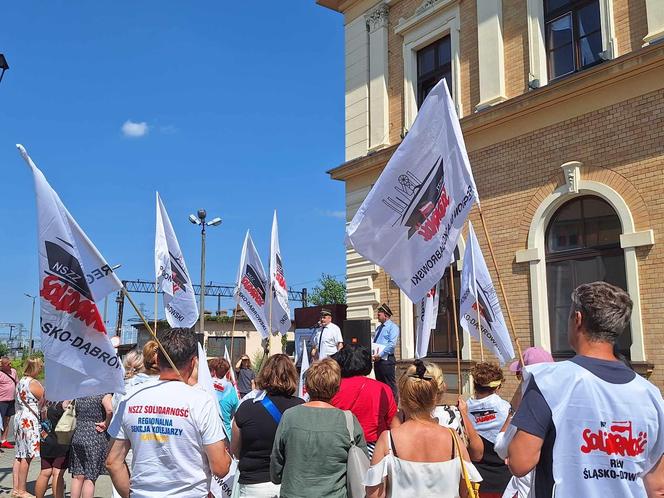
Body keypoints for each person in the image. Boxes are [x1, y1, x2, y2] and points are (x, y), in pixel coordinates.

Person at [508, 282, 664, 497]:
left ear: (578, 319)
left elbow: (519, 462)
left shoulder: (548, 380)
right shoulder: (651, 394)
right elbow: (657, 485)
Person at [106, 328, 231, 498]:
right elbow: (220, 468)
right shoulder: (201, 400)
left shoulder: (130, 397)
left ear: (157, 358)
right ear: (193, 362)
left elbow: (113, 462)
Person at [365, 360, 482, 498]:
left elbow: (374, 495)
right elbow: (466, 492)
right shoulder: (453, 439)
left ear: (403, 396)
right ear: (437, 397)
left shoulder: (388, 439)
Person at [271, 358, 367, 497]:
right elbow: (363, 468)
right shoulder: (348, 421)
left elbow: (276, 467)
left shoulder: (289, 416)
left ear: (308, 386)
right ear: (336, 388)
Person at [231, 354, 304, 497]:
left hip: (254, 485)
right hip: (291, 483)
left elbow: (235, 450)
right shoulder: (302, 407)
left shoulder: (247, 407)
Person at [493, 347, 553, 498]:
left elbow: (501, 447)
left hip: (533, 489)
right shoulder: (565, 400)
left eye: (519, 375)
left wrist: (513, 411)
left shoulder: (529, 410)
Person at [330, 345, 398, 458]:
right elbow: (393, 423)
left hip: (339, 445)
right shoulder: (382, 388)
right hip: (374, 447)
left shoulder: (332, 388)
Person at [465, 362, 512, 498]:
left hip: (474, 483)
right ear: (498, 387)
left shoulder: (462, 411)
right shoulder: (507, 410)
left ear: (474, 386)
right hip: (505, 483)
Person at [426, 361, 484, 462]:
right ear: (443, 387)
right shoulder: (454, 418)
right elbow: (477, 454)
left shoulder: (400, 423)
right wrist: (464, 414)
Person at [69, 393, 113, 498]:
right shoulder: (103, 394)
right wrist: (106, 423)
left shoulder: (80, 392)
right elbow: (110, 410)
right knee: (90, 477)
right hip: (94, 436)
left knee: (77, 476)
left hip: (78, 434)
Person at [12, 357, 44, 498]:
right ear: (35, 368)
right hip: (30, 420)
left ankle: (16, 488)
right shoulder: (33, 383)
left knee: (19, 454)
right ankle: (22, 490)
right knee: (27, 455)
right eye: (40, 366)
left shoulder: (21, 382)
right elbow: (45, 398)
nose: (42, 369)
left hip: (20, 417)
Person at [36, 399, 72, 498]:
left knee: (45, 472)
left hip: (46, 440)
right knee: (57, 474)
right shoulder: (64, 401)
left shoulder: (45, 400)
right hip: (61, 442)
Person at [372, 304, 399, 399]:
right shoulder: (378, 328)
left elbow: (392, 344)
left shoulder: (393, 327)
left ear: (386, 315)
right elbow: (374, 342)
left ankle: (393, 407)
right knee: (380, 385)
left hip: (387, 360)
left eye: (379, 314)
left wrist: (381, 354)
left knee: (389, 384)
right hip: (377, 360)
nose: (377, 316)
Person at [208, 357, 239, 439]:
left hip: (207, 434)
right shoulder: (231, 390)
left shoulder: (204, 386)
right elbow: (235, 411)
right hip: (225, 435)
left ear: (213, 371)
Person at [0, 356, 18, 449]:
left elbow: (17, 383)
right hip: (1, 401)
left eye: (10, 363)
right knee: (0, 422)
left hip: (11, 400)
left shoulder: (13, 371)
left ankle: (4, 440)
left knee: (7, 420)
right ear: (2, 365)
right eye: (8, 364)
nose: (10, 365)